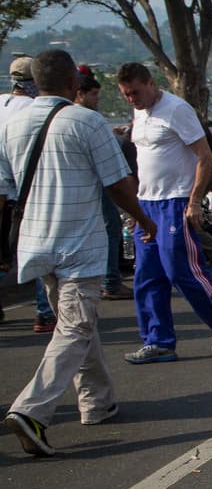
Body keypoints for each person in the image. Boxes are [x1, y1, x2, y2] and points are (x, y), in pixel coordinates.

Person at [2, 50, 157, 456]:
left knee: (76, 325)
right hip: (78, 245)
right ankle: (32, 410)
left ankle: (97, 403)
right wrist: (144, 220)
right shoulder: (87, 121)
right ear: (73, 83)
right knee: (74, 327)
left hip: (35, 244)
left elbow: (4, 192)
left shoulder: (10, 125)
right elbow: (119, 186)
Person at [116, 62, 212, 364]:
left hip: (175, 203)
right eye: (126, 95)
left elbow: (204, 156)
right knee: (146, 276)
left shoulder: (176, 109)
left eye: (135, 92)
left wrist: (194, 201)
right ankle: (158, 342)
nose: (131, 99)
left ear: (151, 83)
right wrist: (136, 209)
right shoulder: (139, 113)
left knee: (181, 272)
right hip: (147, 204)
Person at [1, 55, 58, 331]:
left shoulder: (1, 103)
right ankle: (45, 311)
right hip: (22, 192)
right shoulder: (35, 109)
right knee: (37, 251)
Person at [72, 67, 131, 300]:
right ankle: (111, 281)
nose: (97, 99)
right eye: (94, 94)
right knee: (111, 227)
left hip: (82, 187)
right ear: (80, 94)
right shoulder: (88, 118)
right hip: (96, 184)